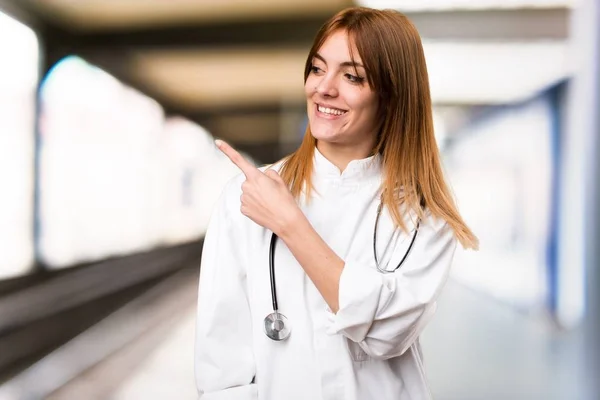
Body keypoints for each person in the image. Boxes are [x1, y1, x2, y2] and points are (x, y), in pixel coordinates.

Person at [194, 6, 478, 400]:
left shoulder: (424, 213)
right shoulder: (247, 197)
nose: (324, 88)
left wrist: (291, 224)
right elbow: (223, 369)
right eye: (316, 68)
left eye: (352, 76)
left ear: (392, 95)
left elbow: (385, 333)